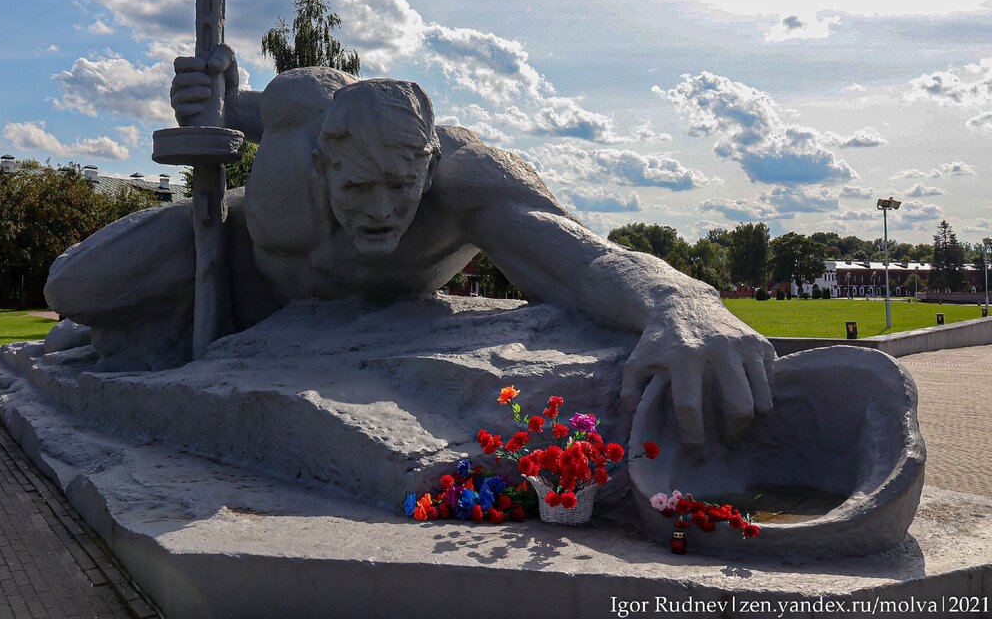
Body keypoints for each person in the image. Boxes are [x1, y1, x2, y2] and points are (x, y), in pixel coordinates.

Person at [45, 46, 775, 454]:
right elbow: (234, 110)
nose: (382, 211)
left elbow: (583, 260)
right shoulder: (302, 112)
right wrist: (210, 97)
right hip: (235, 270)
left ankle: (130, 329)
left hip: (320, 340)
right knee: (74, 292)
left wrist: (682, 300)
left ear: (428, 166)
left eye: (401, 187)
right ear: (323, 163)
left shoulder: (467, 179)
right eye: (358, 188)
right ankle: (119, 325)